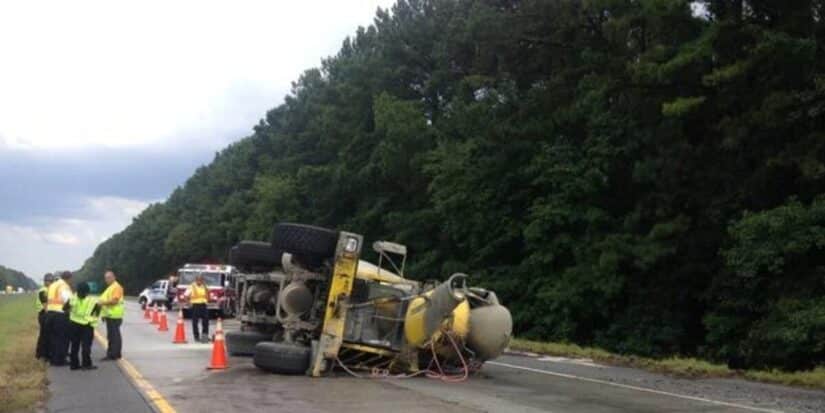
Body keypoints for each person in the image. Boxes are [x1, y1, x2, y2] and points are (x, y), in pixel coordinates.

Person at [67, 282, 100, 370]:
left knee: (74, 345)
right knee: (86, 346)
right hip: (87, 326)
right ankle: (86, 364)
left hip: (73, 324)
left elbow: (65, 309)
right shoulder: (93, 301)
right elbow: (96, 314)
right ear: (87, 291)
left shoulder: (72, 298)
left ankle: (74, 365)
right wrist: (93, 324)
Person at [45, 271, 73, 366]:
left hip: (50, 313)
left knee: (53, 338)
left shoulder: (53, 285)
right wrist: (70, 311)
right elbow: (69, 301)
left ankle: (53, 359)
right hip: (60, 315)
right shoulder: (64, 286)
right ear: (69, 278)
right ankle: (60, 360)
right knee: (62, 338)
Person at [98, 270, 124, 360]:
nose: (107, 280)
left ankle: (114, 354)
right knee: (112, 336)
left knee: (114, 336)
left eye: (109, 277)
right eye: (105, 278)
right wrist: (103, 314)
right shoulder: (110, 287)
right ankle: (114, 353)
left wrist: (102, 303)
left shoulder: (116, 287)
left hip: (114, 315)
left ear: (114, 277)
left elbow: (114, 301)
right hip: (109, 315)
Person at [185, 274, 210, 343]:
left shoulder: (204, 286)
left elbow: (208, 294)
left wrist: (208, 300)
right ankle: (196, 337)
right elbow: (186, 296)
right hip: (195, 306)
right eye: (198, 280)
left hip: (203, 305)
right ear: (196, 280)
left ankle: (204, 336)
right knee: (195, 322)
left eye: (201, 280)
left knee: (205, 321)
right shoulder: (191, 286)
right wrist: (188, 304)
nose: (200, 281)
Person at [35, 273, 55, 360]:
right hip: (44, 314)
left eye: (52, 281)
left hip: (45, 314)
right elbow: (45, 305)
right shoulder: (43, 291)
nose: (51, 282)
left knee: (44, 334)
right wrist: (49, 315)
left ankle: (40, 354)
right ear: (45, 281)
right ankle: (44, 354)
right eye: (49, 281)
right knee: (45, 335)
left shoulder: (48, 289)